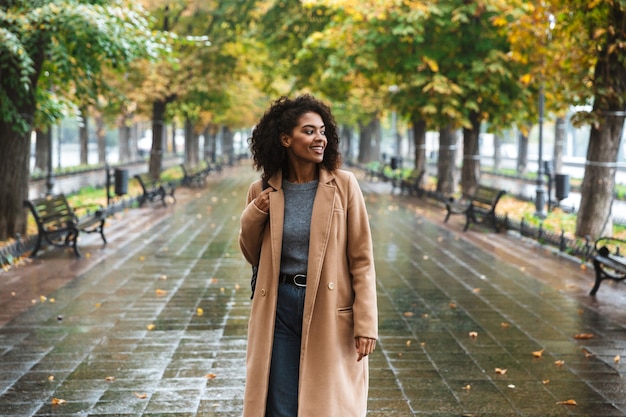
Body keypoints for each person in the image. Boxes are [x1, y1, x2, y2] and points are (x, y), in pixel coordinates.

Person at [239, 94, 378, 417]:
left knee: (325, 402)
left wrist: (366, 322)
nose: (320, 139)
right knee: (280, 402)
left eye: (322, 131)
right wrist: (253, 215)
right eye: (309, 131)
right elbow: (251, 253)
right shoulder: (261, 190)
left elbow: (362, 259)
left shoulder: (344, 185)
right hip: (279, 304)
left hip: (329, 305)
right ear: (286, 139)